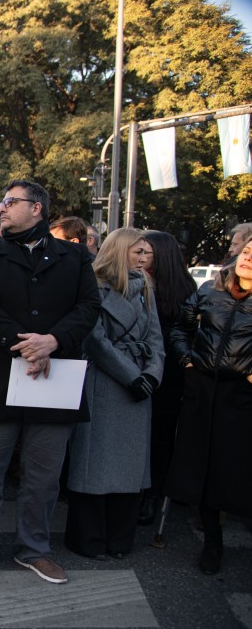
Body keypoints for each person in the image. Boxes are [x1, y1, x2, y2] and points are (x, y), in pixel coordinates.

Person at [0, 179, 100, 585]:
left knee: (43, 474)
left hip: (55, 377)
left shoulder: (73, 256)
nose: (1, 207)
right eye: (1, 201)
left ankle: (33, 549)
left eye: (10, 201)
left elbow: (89, 306)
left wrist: (53, 341)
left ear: (36, 208)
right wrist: (25, 345)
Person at [64, 228, 164, 560]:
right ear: (119, 251)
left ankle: (120, 539)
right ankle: (89, 540)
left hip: (138, 386)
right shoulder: (93, 285)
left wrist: (151, 375)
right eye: (137, 252)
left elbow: (156, 339)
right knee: (95, 464)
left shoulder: (146, 288)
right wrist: (132, 376)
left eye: (146, 252)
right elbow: (94, 339)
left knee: (130, 469)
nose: (143, 258)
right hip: (104, 382)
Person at [166, 238, 252, 576]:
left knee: (236, 466)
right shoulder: (209, 291)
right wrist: (187, 359)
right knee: (202, 466)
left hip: (242, 394)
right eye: (247, 252)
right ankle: (212, 541)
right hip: (203, 388)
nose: (248, 259)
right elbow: (180, 328)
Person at [138, 231, 196, 525]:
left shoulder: (183, 289)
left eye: (145, 252)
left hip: (168, 373)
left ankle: (152, 494)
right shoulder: (133, 282)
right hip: (137, 368)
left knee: (159, 436)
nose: (139, 257)